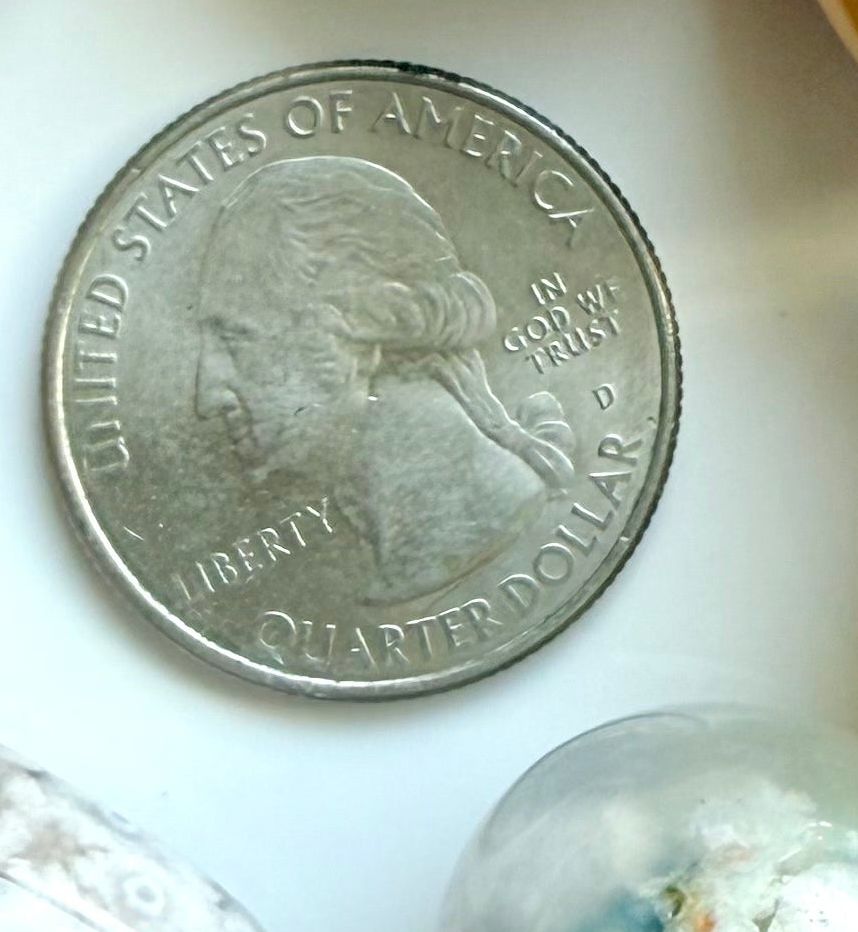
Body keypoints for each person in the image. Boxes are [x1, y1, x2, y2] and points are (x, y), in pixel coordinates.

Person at [193, 155, 575, 601]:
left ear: (375, 318)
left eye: (236, 340)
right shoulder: (407, 553)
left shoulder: (476, 534)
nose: (205, 397)